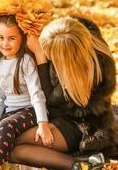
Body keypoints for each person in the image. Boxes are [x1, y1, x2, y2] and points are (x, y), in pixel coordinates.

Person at [9, 17, 118, 170]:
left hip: (83, 126)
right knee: (9, 140)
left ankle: (80, 164)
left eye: (51, 54)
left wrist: (40, 57)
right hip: (63, 117)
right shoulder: (73, 31)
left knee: (13, 149)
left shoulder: (84, 72)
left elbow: (49, 99)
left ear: (65, 58)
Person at [0, 14, 52, 170]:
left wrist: (43, 124)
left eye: (11, 38)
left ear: (22, 39)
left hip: (31, 111)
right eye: (1, 38)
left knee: (6, 124)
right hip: (11, 112)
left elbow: (36, 94)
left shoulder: (26, 61)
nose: (5, 43)